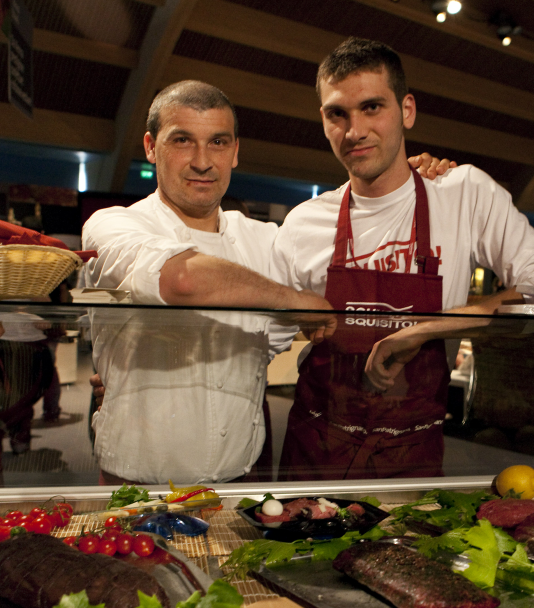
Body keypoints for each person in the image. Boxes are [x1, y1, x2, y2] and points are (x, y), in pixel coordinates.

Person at [83, 80, 452, 486]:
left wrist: (404, 183)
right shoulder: (114, 225)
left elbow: (364, 253)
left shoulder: (267, 240)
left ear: (236, 151)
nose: (203, 161)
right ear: (152, 147)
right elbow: (182, 278)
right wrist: (289, 298)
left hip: (241, 480)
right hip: (136, 483)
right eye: (183, 140)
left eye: (218, 142)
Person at [271, 37, 534, 481]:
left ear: (407, 110)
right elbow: (261, 338)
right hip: (315, 457)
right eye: (338, 113)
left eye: (372, 107)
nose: (354, 130)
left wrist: (428, 328)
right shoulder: (302, 225)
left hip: (409, 464)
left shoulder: (462, 194)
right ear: (323, 120)